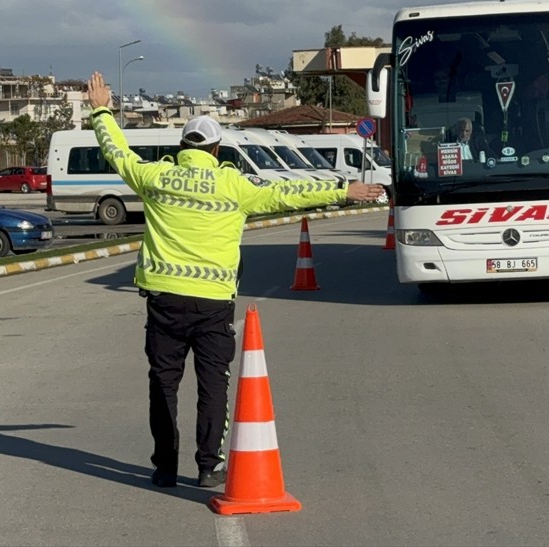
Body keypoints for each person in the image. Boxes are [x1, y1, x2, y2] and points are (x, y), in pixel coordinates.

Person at [83, 71, 384, 489]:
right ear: (217, 148)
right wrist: (341, 189)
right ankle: (209, 466)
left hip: (164, 303)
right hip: (212, 305)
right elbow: (287, 195)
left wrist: (100, 109)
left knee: (163, 384)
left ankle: (165, 467)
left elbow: (117, 153)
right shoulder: (234, 185)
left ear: (181, 147)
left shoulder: (155, 178)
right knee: (214, 385)